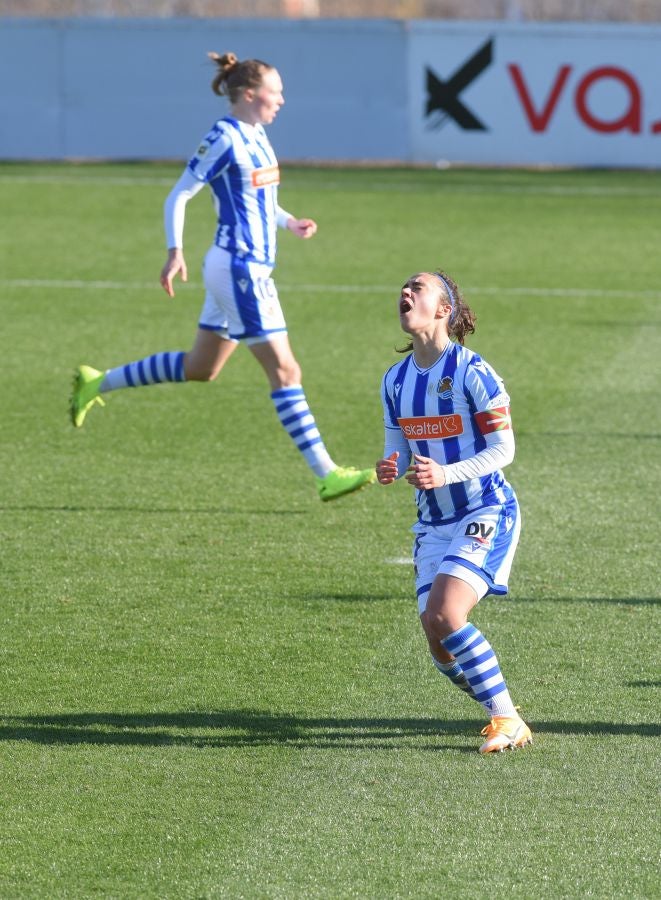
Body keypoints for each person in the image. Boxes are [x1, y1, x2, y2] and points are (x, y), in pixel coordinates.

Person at [70, 51, 375, 502]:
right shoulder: (224, 137)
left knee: (201, 368)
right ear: (250, 94)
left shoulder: (259, 136)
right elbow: (179, 196)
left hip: (238, 268)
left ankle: (97, 381)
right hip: (239, 268)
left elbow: (257, 201)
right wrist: (175, 251)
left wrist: (288, 221)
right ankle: (326, 473)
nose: (282, 100)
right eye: (276, 92)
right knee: (286, 370)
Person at [376, 269, 532, 754]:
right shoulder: (395, 379)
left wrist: (446, 474)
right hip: (432, 523)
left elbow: (504, 449)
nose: (405, 293)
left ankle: (505, 718)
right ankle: (499, 707)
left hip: (485, 508)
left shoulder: (473, 372)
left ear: (443, 310)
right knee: (437, 640)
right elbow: (397, 442)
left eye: (416, 289)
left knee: (446, 612)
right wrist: (390, 464)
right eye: (404, 287)